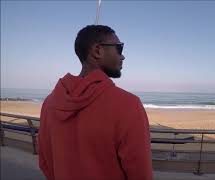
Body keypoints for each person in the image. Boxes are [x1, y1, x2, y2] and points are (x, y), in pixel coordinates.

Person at [38, 25, 153, 180]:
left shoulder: (50, 103)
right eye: (119, 48)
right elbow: (141, 174)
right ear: (97, 50)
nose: (123, 56)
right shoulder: (128, 105)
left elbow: (45, 163)